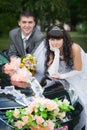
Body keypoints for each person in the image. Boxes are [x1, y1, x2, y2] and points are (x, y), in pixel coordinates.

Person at [44, 24, 87, 130]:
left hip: (80, 76)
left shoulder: (74, 48)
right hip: (64, 77)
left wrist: (61, 75)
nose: (55, 42)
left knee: (81, 100)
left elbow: (78, 70)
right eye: (52, 39)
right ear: (49, 40)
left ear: (64, 38)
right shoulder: (52, 49)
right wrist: (57, 53)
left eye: (58, 39)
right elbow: (52, 72)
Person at [8, 11, 46, 75]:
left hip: (35, 69)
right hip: (18, 66)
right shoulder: (13, 34)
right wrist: (17, 62)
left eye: (30, 22)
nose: (27, 25)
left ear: (34, 23)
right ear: (19, 23)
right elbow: (12, 53)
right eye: (24, 22)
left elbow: (34, 57)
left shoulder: (39, 37)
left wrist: (21, 64)